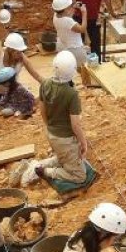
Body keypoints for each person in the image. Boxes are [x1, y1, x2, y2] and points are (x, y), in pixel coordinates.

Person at [35, 51, 89, 185]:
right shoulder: (72, 94)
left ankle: (41, 164)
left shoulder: (45, 84)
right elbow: (75, 125)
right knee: (80, 176)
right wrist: (84, 142)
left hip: (51, 133)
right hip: (64, 140)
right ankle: (46, 172)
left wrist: (50, 127)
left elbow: (42, 111)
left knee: (64, 156)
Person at [0, 33, 43, 103]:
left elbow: (36, 75)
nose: (20, 54)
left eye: (21, 51)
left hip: (10, 92)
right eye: (17, 52)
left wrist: (48, 84)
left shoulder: (22, 58)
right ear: (10, 50)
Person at [51, 0, 92, 87]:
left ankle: (68, 84)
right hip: (74, 48)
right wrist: (84, 13)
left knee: (66, 68)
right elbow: (82, 28)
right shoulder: (68, 21)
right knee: (84, 70)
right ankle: (87, 87)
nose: (70, 8)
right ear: (65, 9)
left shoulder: (56, 16)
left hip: (62, 45)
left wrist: (73, 7)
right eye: (69, 6)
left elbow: (65, 13)